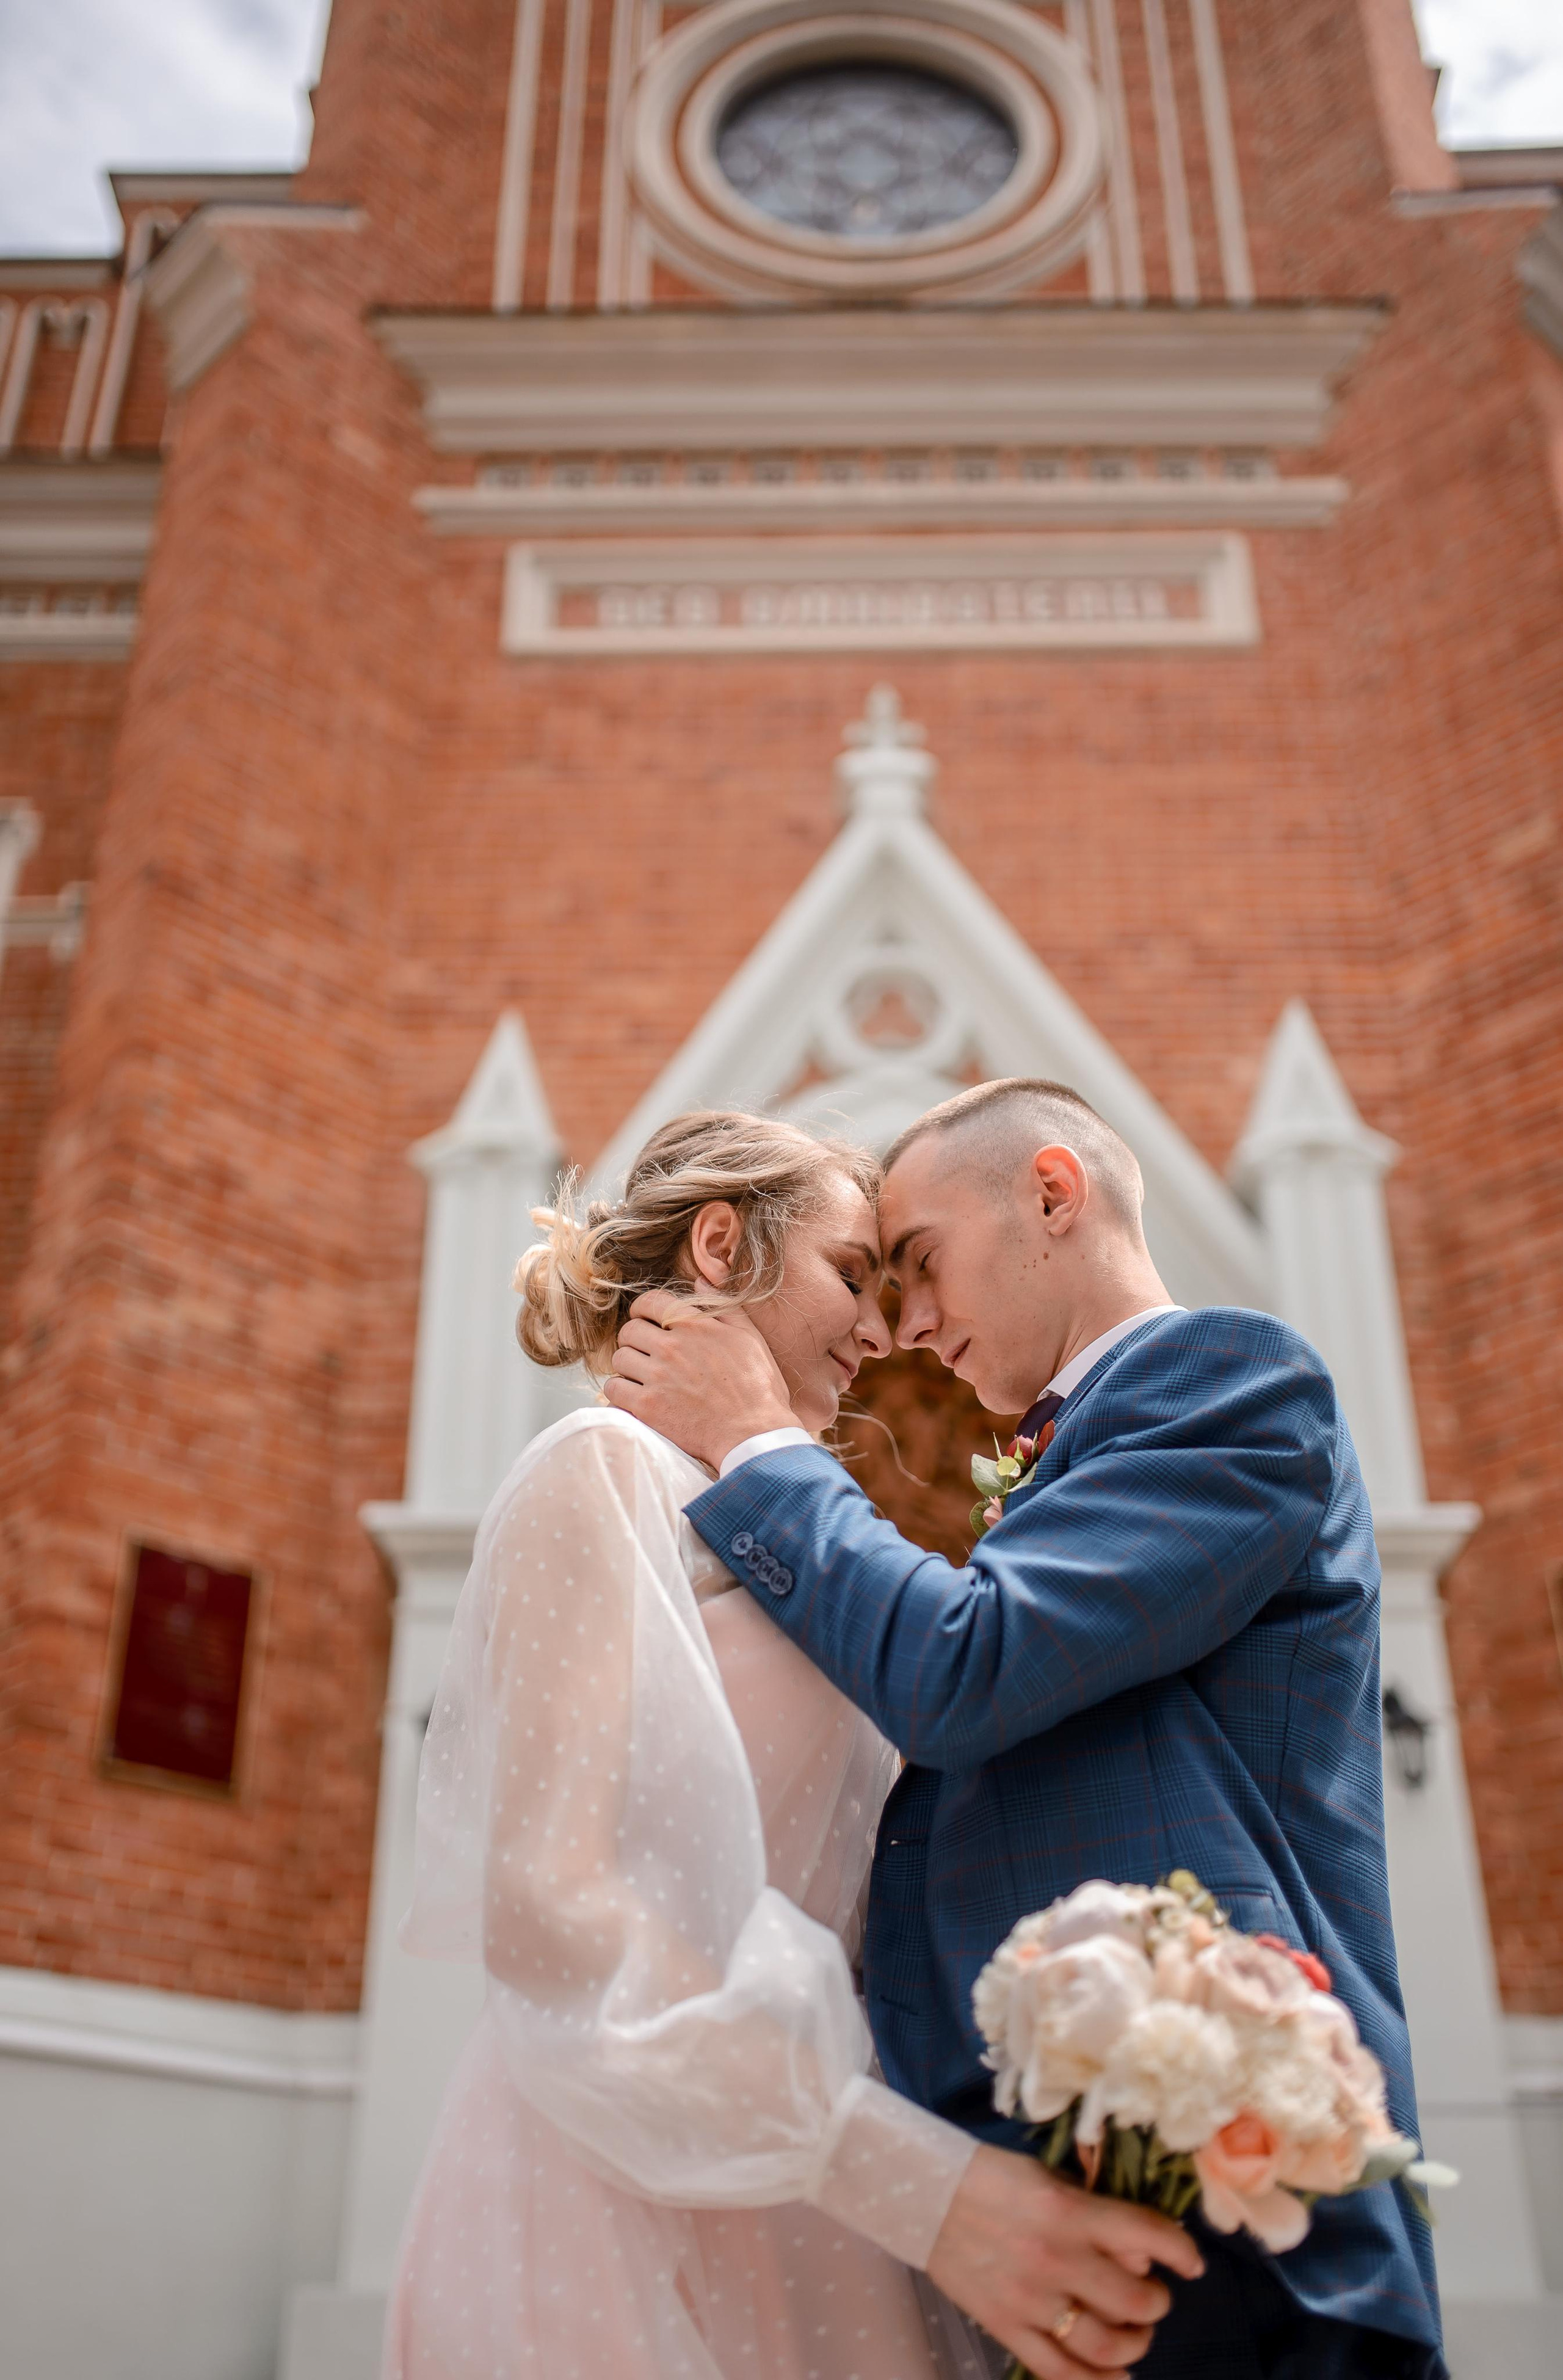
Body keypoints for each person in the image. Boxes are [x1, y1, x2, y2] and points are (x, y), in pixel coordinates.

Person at [606, 1079, 1447, 2380]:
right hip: (1054, 2201)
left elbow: (966, 1664)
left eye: (917, 1263)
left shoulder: (1226, 1378)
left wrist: (755, 1439)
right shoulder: (1073, 1453)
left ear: (1051, 1191)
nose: (903, 1326)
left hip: (1216, 2180)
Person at [385, 1109, 1199, 2380]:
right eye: (851, 1275)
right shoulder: (603, 1468)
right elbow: (560, 1908)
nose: (883, 1334)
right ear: (721, 1244)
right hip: (623, 2187)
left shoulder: (772, 1528)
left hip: (817, 2200)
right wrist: (916, 2184)